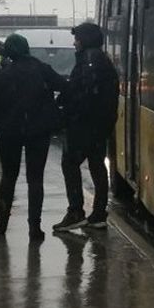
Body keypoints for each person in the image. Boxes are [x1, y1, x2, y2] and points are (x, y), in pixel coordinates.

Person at [0, 33, 66, 242]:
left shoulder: (2, 74)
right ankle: (35, 227)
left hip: (9, 132)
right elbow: (64, 86)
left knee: (8, 176)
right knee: (35, 178)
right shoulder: (41, 69)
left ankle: (2, 223)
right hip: (38, 131)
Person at [53, 22, 119, 231]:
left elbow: (82, 93)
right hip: (99, 125)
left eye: (77, 39)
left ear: (85, 40)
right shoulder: (101, 59)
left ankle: (76, 211)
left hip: (84, 125)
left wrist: (66, 111)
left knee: (70, 164)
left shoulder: (89, 61)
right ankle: (98, 213)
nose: (74, 43)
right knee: (97, 166)